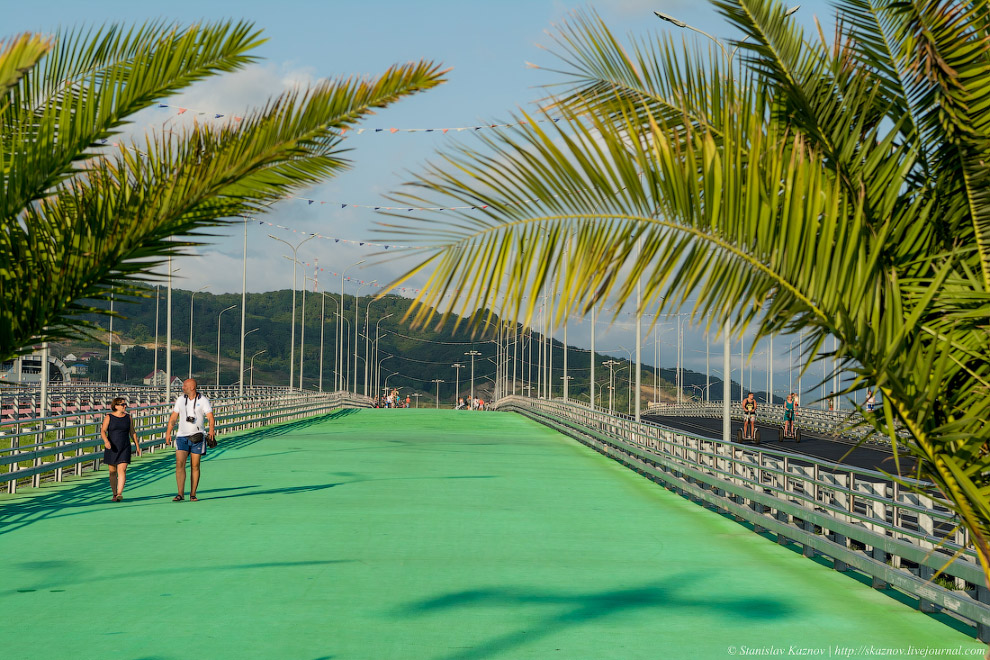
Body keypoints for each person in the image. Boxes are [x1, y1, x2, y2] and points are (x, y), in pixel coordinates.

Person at [165, 378, 215, 502]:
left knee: (195, 465)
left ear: (192, 387)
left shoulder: (203, 400)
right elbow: (174, 416)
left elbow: (210, 417)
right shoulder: (181, 400)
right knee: (179, 464)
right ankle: (180, 494)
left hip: (197, 436)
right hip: (182, 436)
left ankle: (193, 494)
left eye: (185, 386)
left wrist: (211, 430)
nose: (182, 388)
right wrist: (168, 432)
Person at [100, 397, 141, 501]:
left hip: (125, 446)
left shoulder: (128, 417)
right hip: (112, 447)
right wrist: (106, 441)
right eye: (122, 404)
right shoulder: (109, 417)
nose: (125, 406)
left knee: (122, 470)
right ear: (116, 406)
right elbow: (103, 431)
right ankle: (114, 493)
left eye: (125, 404)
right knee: (112, 472)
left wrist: (137, 446)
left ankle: (119, 493)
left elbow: (132, 432)